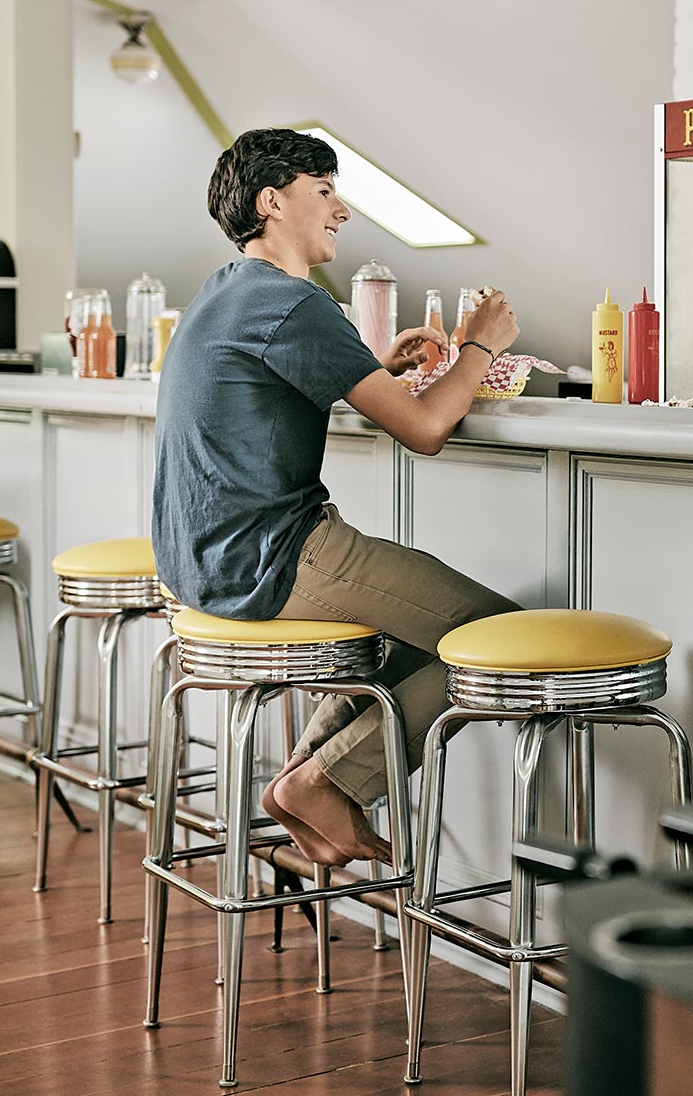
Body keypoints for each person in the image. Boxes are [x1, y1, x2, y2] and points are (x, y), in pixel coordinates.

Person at [152, 128, 521, 868]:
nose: (342, 211)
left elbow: (271, 381)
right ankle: (325, 779)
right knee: (495, 641)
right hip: (271, 556)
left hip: (201, 561)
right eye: (324, 191)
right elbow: (423, 427)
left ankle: (307, 777)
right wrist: (480, 342)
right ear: (272, 200)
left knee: (417, 630)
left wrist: (371, 366)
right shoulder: (295, 305)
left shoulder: (225, 291)